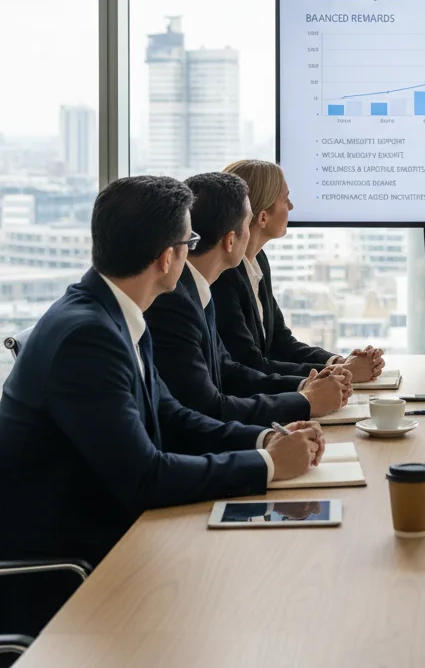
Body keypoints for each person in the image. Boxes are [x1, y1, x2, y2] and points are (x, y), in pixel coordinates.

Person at [0, 177, 323, 632]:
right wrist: (266, 465)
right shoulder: (88, 336)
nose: (191, 252)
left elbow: (170, 415)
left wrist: (266, 438)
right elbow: (144, 477)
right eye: (188, 242)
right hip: (74, 563)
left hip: (121, 528)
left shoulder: (116, 310)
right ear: (167, 256)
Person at [146, 172, 353, 427]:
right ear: (231, 241)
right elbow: (208, 407)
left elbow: (228, 370)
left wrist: (306, 385)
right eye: (247, 223)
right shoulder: (177, 302)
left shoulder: (197, 288)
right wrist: (305, 401)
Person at [212, 159, 385, 379]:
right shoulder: (224, 276)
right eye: (285, 200)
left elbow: (280, 341)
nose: (291, 207)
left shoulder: (258, 260)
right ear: (263, 217)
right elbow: (249, 364)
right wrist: (340, 372)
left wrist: (339, 362)